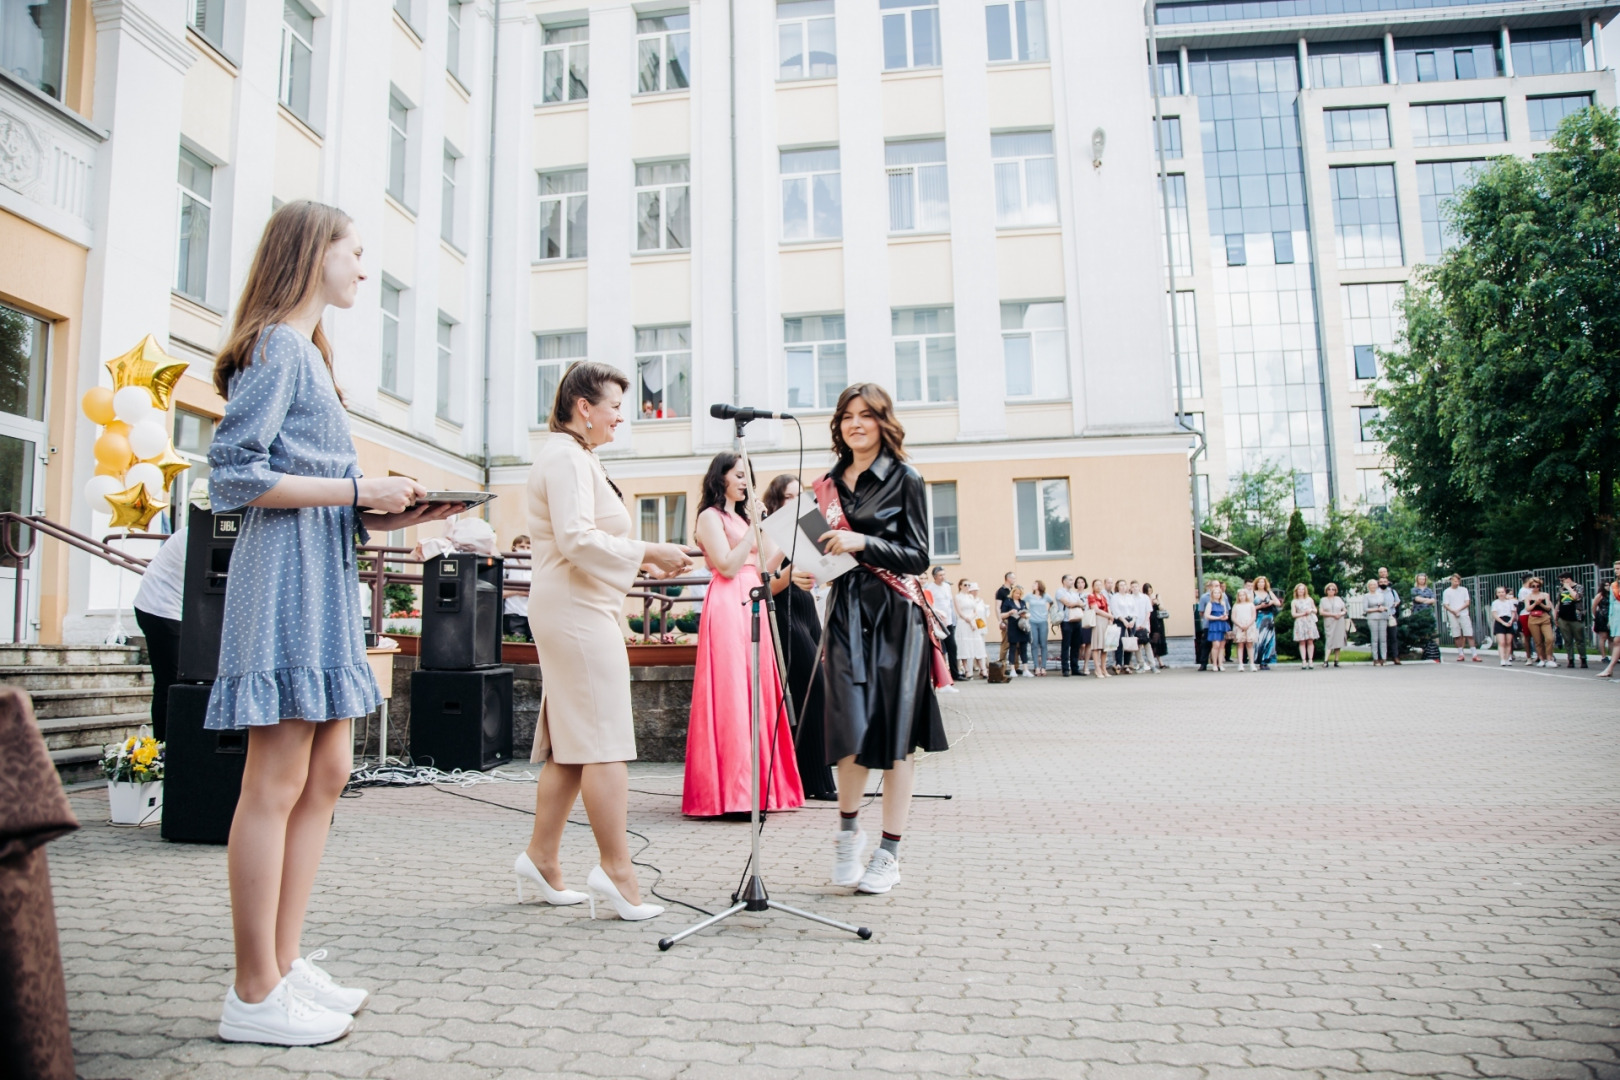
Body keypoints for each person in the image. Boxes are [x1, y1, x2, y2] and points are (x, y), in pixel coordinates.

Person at [205, 202, 465, 1045]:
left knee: (325, 773)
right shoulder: (278, 346)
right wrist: (359, 493)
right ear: (314, 254)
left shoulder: (307, 353)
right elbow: (235, 479)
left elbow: (307, 482)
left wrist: (386, 512)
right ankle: (252, 994)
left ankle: (279, 967)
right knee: (274, 782)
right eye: (355, 251)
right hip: (283, 577)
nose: (363, 267)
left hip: (318, 567)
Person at [518, 362, 693, 925]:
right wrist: (647, 551)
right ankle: (616, 872)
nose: (623, 414)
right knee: (604, 740)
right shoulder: (568, 455)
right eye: (616, 404)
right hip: (574, 607)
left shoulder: (576, 455)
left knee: (574, 743)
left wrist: (641, 561)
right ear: (582, 406)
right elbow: (575, 537)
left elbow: (585, 541)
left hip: (577, 602)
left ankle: (541, 859)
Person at [815, 384, 949, 895]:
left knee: (894, 739)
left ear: (883, 422)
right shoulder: (825, 485)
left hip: (896, 616)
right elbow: (820, 553)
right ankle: (848, 833)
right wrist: (808, 572)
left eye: (866, 416)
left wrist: (863, 541)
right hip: (846, 611)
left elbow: (918, 556)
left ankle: (888, 854)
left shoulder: (905, 478)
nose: (856, 424)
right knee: (848, 726)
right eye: (847, 416)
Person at [683, 454, 804, 816]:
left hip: (753, 599)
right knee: (733, 692)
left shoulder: (741, 519)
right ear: (719, 478)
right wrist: (755, 529)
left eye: (748, 476)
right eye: (738, 475)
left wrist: (786, 542)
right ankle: (731, 794)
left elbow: (761, 568)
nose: (744, 482)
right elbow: (726, 564)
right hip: (727, 602)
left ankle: (760, 789)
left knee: (758, 692)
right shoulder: (710, 517)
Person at [764, 474, 835, 801]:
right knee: (811, 692)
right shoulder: (769, 531)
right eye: (788, 497)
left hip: (807, 612)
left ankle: (816, 779)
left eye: (799, 495)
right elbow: (766, 584)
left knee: (818, 693)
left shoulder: (806, 528)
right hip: (786, 614)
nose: (796, 502)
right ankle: (813, 781)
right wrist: (789, 566)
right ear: (777, 501)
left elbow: (822, 572)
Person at [132, 527, 187, 741]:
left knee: (175, 683)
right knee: (170, 683)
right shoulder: (201, 532)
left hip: (175, 609)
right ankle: (164, 750)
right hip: (160, 609)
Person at [924, 567, 959, 684]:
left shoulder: (947, 587)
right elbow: (930, 604)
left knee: (952, 647)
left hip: (948, 622)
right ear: (934, 577)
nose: (942, 577)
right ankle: (942, 674)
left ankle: (955, 673)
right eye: (940, 575)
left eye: (944, 574)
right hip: (938, 622)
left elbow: (949, 604)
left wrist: (953, 618)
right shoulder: (930, 588)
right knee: (941, 649)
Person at [501, 534, 533, 642]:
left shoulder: (535, 566)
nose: (525, 550)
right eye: (522, 547)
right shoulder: (507, 567)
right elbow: (500, 592)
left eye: (528, 547)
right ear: (514, 548)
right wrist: (518, 591)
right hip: (513, 614)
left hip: (531, 615)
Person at [1442, 573, 1479, 662]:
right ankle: (1460, 654)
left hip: (1463, 613)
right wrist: (1453, 611)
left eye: (1458, 581)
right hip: (1452, 614)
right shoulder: (1447, 591)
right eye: (1455, 581)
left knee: (1469, 634)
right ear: (1451, 581)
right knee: (1456, 634)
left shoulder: (1464, 590)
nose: (1457, 583)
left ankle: (1474, 654)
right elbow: (1446, 604)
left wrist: (1458, 610)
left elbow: (1467, 602)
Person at [1555, 573, 1587, 670]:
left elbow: (1577, 597)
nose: (1561, 582)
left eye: (1562, 580)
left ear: (1568, 579)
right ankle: (1570, 659)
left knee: (1580, 640)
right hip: (1563, 617)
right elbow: (1559, 602)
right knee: (1568, 640)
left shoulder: (1579, 587)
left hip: (1576, 617)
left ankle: (1583, 659)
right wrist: (1556, 616)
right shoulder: (1561, 589)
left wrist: (1569, 588)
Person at [1523, 576, 1556, 668]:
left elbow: (1548, 607)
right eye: (1533, 586)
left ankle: (1549, 658)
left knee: (1549, 638)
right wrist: (1535, 603)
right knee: (1538, 641)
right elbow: (1528, 608)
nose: (1535, 588)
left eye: (1537, 586)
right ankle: (1541, 659)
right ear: (1530, 586)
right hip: (1533, 618)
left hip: (1544, 617)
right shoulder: (1528, 597)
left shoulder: (1545, 595)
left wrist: (1540, 603)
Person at [1000, 584, 1032, 677]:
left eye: (1019, 594)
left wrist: (1025, 615)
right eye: (1016, 593)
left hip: (1022, 626)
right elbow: (1002, 615)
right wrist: (1010, 613)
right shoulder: (1008, 602)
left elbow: (1027, 613)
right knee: (1013, 648)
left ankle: (1025, 669)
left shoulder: (1022, 602)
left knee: (1024, 648)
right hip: (1013, 626)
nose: (1018, 595)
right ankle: (1012, 669)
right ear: (1013, 592)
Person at [952, 578, 981, 679]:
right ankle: (966, 669)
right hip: (963, 621)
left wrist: (972, 621)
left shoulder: (970, 597)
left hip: (972, 621)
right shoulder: (957, 597)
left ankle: (980, 668)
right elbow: (959, 612)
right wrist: (968, 620)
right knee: (964, 645)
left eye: (969, 585)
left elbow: (975, 611)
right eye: (965, 585)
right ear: (960, 586)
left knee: (975, 644)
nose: (967, 587)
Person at [1085, 578, 1113, 677]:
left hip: (1105, 621)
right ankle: (1097, 668)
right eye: (1096, 585)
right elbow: (1095, 609)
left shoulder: (1103, 596)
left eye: (1100, 585)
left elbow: (1108, 607)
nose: (1098, 587)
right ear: (1093, 586)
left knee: (1104, 647)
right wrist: (1108, 615)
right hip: (1097, 621)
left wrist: (1110, 618)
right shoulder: (1091, 596)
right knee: (1096, 646)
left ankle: (1103, 668)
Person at [1251, 576, 1280, 670]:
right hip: (1259, 617)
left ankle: (1265, 661)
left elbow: (1278, 603)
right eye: (1259, 582)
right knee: (1259, 640)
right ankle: (1258, 660)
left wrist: (1271, 602)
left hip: (1269, 618)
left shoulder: (1269, 592)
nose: (1261, 584)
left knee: (1269, 639)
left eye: (1263, 582)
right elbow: (1250, 607)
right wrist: (1260, 606)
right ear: (1256, 583)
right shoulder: (1253, 593)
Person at [1597, 563, 1620, 678]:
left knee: (1617, 641)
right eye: (1615, 569)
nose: (1616, 571)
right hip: (1617, 616)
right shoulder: (1614, 585)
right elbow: (1611, 603)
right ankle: (1609, 668)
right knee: (1616, 641)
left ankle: (1610, 668)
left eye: (1618, 569)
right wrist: (1610, 619)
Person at [1201, 581, 1230, 672]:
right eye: (1215, 593)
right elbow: (1206, 615)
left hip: (1222, 625)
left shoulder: (1223, 603)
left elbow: (1226, 613)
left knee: (1222, 645)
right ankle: (1214, 664)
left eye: (1218, 593)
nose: (1217, 594)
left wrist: (1225, 617)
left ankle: (1220, 664)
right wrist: (1218, 618)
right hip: (1214, 625)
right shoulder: (1210, 603)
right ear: (1212, 594)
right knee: (1215, 645)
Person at [1377, 568, 1403, 664]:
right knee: (1382, 638)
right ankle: (1381, 657)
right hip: (1380, 616)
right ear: (1378, 583)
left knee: (1393, 637)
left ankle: (1395, 656)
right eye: (1381, 581)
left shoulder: (1392, 591)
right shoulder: (1376, 592)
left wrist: (1395, 604)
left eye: (1385, 581)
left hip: (1391, 616)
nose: (1383, 582)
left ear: (1388, 582)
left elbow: (1398, 600)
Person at [1026, 580, 1052, 676]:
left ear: (1039, 586)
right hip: (1032, 621)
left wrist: (1047, 611)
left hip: (1043, 622)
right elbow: (1022, 603)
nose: (1033, 585)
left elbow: (1051, 602)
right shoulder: (1029, 596)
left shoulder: (1045, 595)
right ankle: (1036, 666)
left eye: (1035, 584)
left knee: (1043, 644)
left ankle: (1043, 667)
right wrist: (1027, 613)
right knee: (1034, 643)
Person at [1410, 573, 1438, 661]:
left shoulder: (1429, 590)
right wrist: (1427, 600)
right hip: (1418, 612)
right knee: (1420, 632)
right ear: (1417, 580)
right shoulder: (1414, 590)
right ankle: (1422, 650)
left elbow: (1433, 600)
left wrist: (1425, 600)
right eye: (1420, 579)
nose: (1422, 580)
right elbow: (1416, 599)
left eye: (1423, 579)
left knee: (1431, 632)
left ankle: (1432, 650)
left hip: (1428, 613)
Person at [1290, 584, 1318, 669]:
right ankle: (1303, 661)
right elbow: (1293, 614)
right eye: (1299, 589)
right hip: (1300, 622)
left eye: (1302, 589)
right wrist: (1303, 613)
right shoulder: (1294, 601)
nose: (1301, 591)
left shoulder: (1309, 600)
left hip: (1309, 621)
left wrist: (1311, 610)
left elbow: (1316, 610)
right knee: (1302, 642)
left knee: (1310, 641)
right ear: (1296, 591)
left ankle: (1310, 660)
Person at [1319, 582, 1348, 667]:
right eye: (1329, 589)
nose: (1331, 590)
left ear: (1335, 590)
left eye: (1333, 589)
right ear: (1326, 590)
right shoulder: (1323, 600)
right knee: (1329, 640)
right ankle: (1326, 660)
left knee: (1338, 640)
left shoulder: (1338, 599)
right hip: (1329, 621)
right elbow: (1321, 612)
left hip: (1339, 621)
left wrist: (1340, 614)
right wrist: (1332, 614)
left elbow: (1344, 610)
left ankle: (1336, 660)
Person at [1364, 578, 1392, 666]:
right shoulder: (1366, 596)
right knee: (1374, 639)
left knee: (1383, 639)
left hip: (1382, 617)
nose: (1373, 586)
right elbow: (1365, 609)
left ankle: (1384, 658)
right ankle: (1375, 658)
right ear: (1369, 586)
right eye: (1371, 585)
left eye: (1374, 584)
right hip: (1372, 618)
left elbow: (1387, 605)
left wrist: (1384, 608)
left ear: (1377, 585)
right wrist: (1376, 609)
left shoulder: (1381, 595)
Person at [1490, 585, 1520, 666]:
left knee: (1508, 642)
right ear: (1496, 594)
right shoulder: (1495, 603)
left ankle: (1507, 658)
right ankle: (1502, 659)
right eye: (1499, 592)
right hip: (1500, 621)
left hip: (1508, 620)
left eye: (1502, 592)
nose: (1501, 594)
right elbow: (1494, 614)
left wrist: (1510, 621)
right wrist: (1502, 622)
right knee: (1502, 642)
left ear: (1505, 593)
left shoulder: (1510, 602)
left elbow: (1513, 612)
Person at [1230, 589, 1258, 671]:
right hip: (1239, 626)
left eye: (1243, 595)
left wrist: (1248, 625)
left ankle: (1252, 663)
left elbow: (1253, 616)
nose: (1242, 597)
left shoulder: (1250, 605)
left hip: (1249, 625)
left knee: (1249, 644)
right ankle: (1240, 664)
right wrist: (1239, 625)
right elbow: (1233, 617)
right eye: (1240, 595)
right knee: (1240, 645)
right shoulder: (1236, 605)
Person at [994, 572, 1016, 666]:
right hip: (1006, 619)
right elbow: (997, 607)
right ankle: (1001, 664)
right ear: (1008, 578)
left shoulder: (1013, 590)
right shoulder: (1001, 591)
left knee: (1016, 643)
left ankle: (1015, 665)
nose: (1014, 580)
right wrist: (1000, 621)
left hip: (1015, 619)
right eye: (1013, 578)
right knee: (1006, 642)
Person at [1145, 583, 1168, 672]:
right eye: (1147, 590)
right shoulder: (1144, 598)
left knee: (1158, 640)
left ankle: (1158, 661)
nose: (1149, 592)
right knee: (1152, 641)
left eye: (1150, 589)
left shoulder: (1157, 596)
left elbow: (1162, 608)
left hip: (1157, 621)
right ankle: (1154, 661)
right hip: (1149, 620)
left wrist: (1156, 602)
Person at [1517, 573, 1536, 665]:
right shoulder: (1523, 591)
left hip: (1535, 613)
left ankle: (1540, 655)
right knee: (1527, 636)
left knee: (1538, 636)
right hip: (1526, 613)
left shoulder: (1534, 589)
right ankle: (1529, 656)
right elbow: (1526, 603)